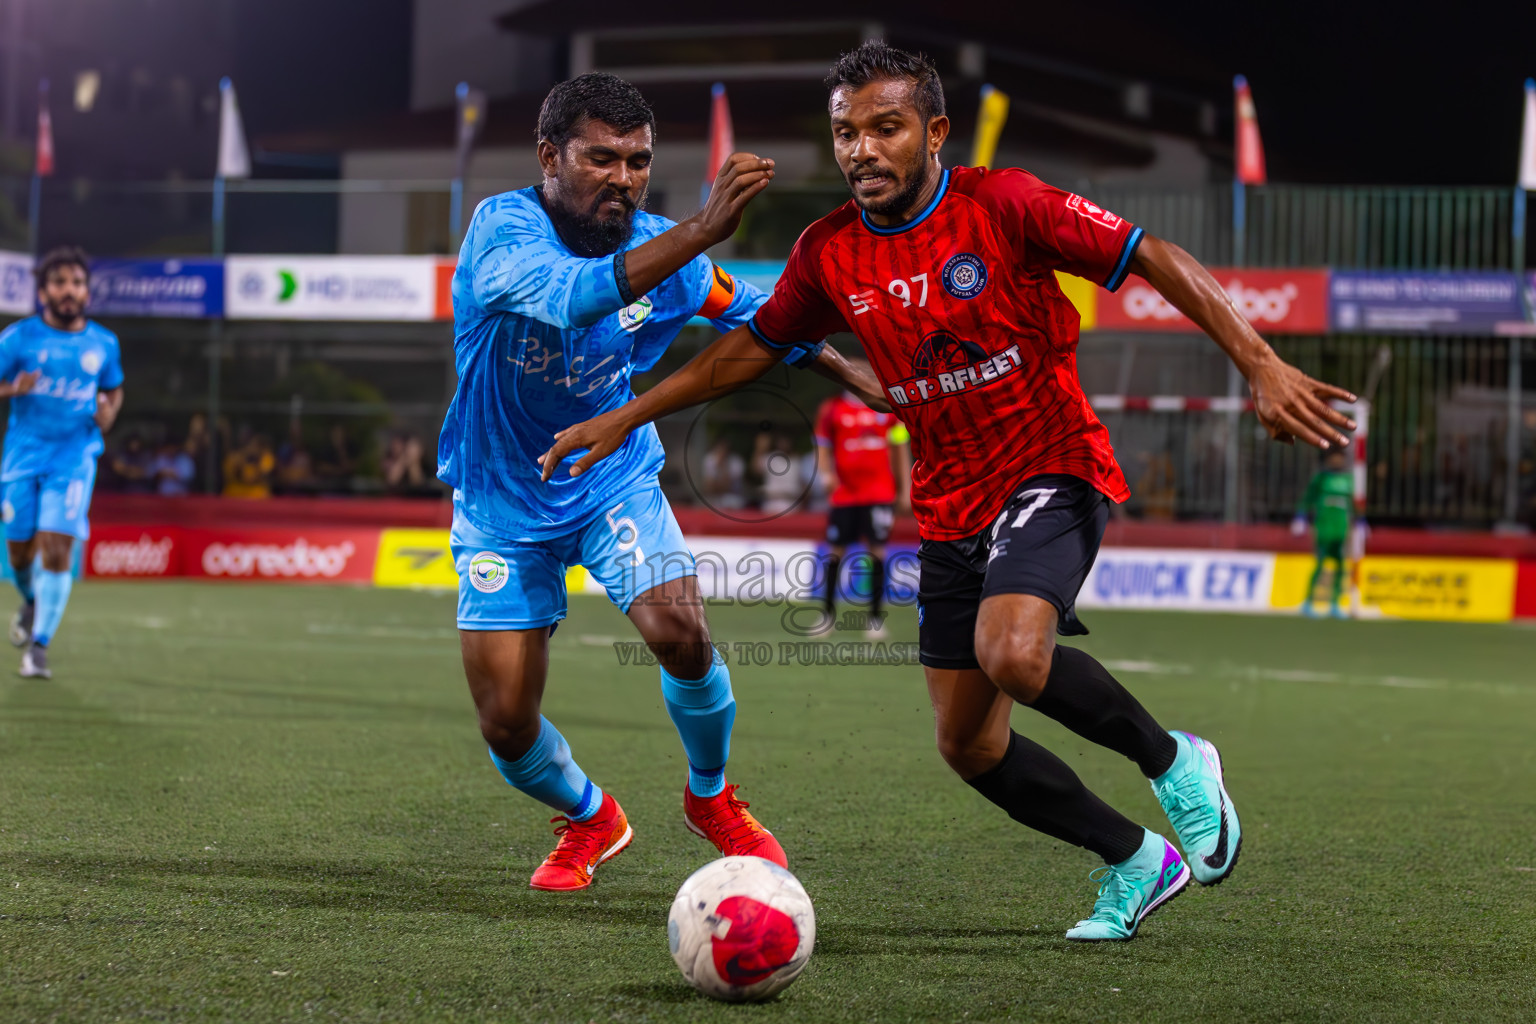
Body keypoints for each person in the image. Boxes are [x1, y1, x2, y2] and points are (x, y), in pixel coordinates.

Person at [540, 43, 1358, 939]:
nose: (861, 150)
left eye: (884, 128)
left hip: (1052, 461)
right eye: (846, 132)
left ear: (933, 132)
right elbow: (752, 349)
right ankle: (1134, 860)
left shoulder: (1003, 204)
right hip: (950, 504)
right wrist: (628, 415)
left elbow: (1152, 254)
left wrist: (1263, 363)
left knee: (1014, 654)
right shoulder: (830, 252)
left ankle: (1174, 761)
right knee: (969, 745)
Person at [442, 73, 879, 892]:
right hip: (501, 502)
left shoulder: (664, 253)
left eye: (638, 161)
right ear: (549, 157)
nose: (624, 179)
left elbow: (760, 312)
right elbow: (573, 299)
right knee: (506, 722)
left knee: (682, 631)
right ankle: (591, 816)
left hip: (612, 482)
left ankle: (710, 796)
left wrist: (845, 367)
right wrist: (708, 225)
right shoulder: (501, 230)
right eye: (602, 158)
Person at [0, 246, 124, 679]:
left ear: (87, 292)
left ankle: (39, 648)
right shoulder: (18, 339)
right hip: (22, 458)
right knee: (18, 554)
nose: (68, 291)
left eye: (76, 283)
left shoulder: (104, 343)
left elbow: (113, 389)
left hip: (74, 458)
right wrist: (10, 390)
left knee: (57, 548)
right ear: (43, 292)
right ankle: (32, 602)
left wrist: (109, 414)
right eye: (59, 283)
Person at [815, 389, 911, 635]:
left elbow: (900, 446)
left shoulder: (886, 407)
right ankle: (826, 616)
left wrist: (905, 487)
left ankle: (875, 620)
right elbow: (822, 445)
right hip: (844, 495)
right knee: (835, 552)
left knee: (877, 552)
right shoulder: (832, 407)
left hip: (879, 494)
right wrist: (826, 474)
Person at [1292, 450, 1355, 618]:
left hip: (1341, 530)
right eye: (1334, 457)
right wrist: (1301, 516)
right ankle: (1308, 602)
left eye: (1340, 457)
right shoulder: (1321, 479)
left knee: (1340, 566)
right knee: (1320, 564)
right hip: (1324, 529)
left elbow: (1354, 504)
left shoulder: (1349, 480)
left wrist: (1361, 521)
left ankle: (1335, 604)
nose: (1337, 460)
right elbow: (1308, 498)